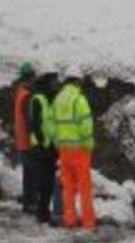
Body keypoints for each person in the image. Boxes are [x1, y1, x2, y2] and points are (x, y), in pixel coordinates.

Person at [52, 70, 96, 231]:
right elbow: (86, 125)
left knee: (68, 187)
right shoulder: (79, 100)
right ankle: (88, 222)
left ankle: (69, 220)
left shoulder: (58, 100)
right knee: (84, 187)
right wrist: (89, 143)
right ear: (77, 82)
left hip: (64, 150)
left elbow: (53, 124)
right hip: (80, 150)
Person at [29, 72, 59, 224]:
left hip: (50, 147)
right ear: (48, 82)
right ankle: (41, 214)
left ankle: (44, 212)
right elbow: (35, 125)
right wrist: (43, 144)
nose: (57, 83)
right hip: (41, 148)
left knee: (49, 181)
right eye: (54, 81)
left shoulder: (51, 97)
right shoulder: (38, 98)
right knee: (44, 181)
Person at [13, 62, 37, 213]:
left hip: (22, 142)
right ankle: (31, 205)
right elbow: (30, 121)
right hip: (28, 142)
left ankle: (27, 205)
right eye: (34, 77)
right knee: (32, 176)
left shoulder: (20, 92)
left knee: (28, 176)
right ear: (30, 77)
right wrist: (35, 140)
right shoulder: (27, 96)